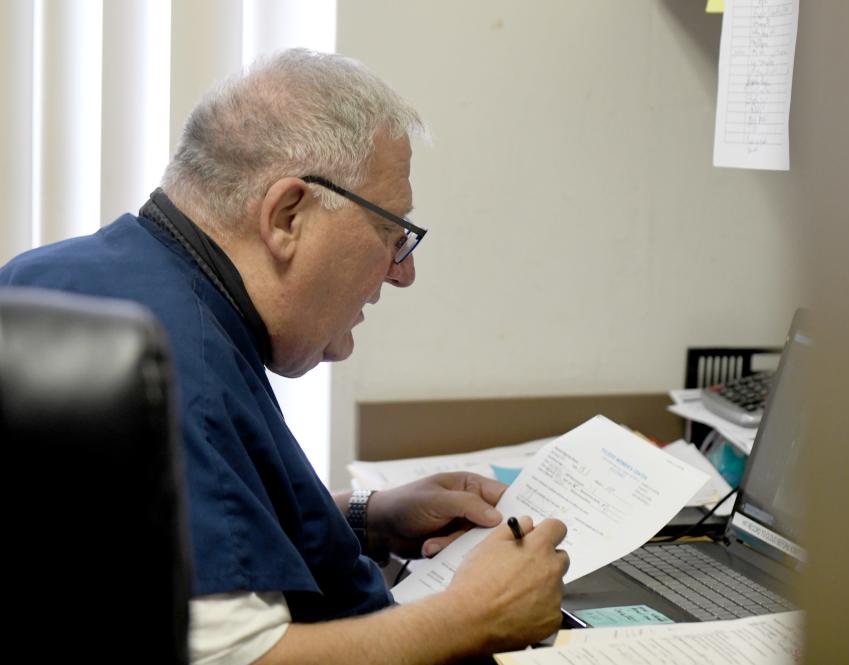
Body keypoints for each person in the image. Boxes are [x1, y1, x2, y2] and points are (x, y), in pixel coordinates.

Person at [0, 49, 568, 664]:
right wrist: (473, 617)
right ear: (287, 216)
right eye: (390, 232)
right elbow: (240, 659)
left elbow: (146, 543)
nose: (403, 272)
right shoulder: (174, 368)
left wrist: (364, 517)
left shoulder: (64, 276)